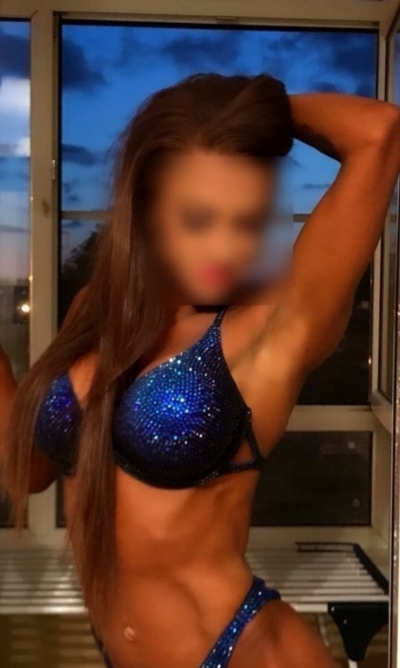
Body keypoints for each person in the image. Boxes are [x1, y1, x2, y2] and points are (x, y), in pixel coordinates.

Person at [1, 73, 399, 668]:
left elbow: (380, 132)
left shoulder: (267, 330)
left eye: (248, 223)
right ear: (147, 208)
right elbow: (28, 471)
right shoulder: (94, 314)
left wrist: (241, 110)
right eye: (198, 219)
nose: (225, 250)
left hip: (241, 652)